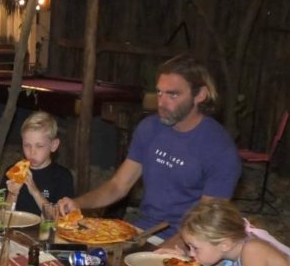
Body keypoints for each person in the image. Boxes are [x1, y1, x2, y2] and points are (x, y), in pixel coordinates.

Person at [57, 55, 241, 242]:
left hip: (190, 242)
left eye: (173, 94)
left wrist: (168, 249)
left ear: (200, 95)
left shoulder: (220, 149)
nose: (161, 102)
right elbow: (118, 185)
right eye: (159, 93)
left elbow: (207, 221)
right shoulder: (150, 128)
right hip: (142, 231)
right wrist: (78, 203)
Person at [2, 112, 74, 215]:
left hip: (44, 230)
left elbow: (59, 218)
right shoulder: (12, 172)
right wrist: (12, 194)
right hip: (15, 230)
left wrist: (35, 191)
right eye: (27, 145)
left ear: (53, 145)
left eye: (39, 146)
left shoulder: (62, 176)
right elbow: (2, 218)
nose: (32, 152)